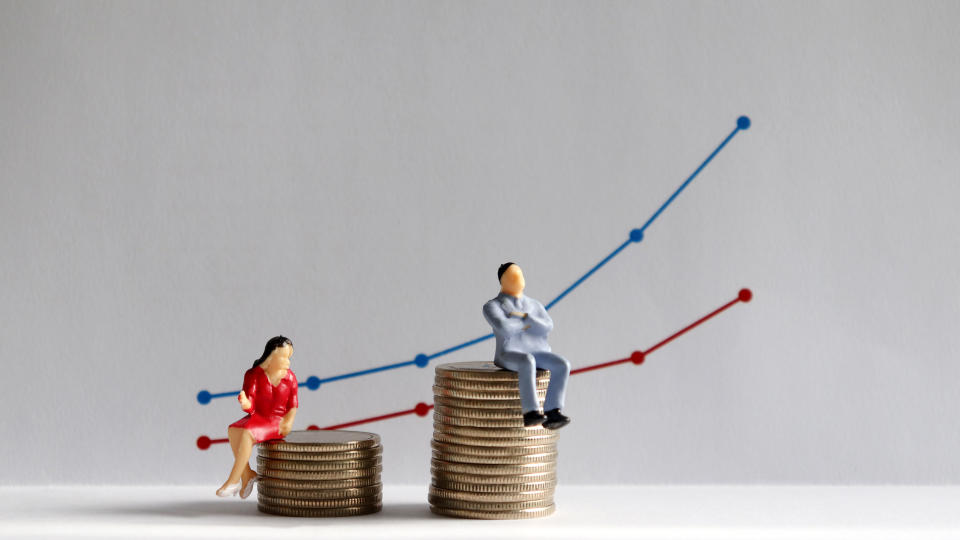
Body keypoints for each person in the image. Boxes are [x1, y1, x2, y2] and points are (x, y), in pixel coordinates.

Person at [482, 263, 571, 429]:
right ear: (502, 281)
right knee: (527, 361)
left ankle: (553, 410)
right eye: (511, 276)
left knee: (562, 364)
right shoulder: (492, 306)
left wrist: (526, 319)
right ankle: (530, 412)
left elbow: (548, 326)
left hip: (537, 350)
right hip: (509, 353)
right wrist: (526, 323)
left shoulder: (534, 305)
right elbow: (504, 328)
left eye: (519, 274)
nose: (517, 279)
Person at [216, 336, 298, 498]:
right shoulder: (253, 374)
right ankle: (247, 475)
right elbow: (251, 405)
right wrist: (246, 403)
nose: (287, 362)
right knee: (233, 430)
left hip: (277, 422)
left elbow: (293, 404)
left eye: (289, 357)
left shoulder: (290, 377)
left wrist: (289, 421)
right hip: (259, 418)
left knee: (247, 433)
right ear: (271, 356)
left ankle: (233, 481)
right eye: (283, 357)